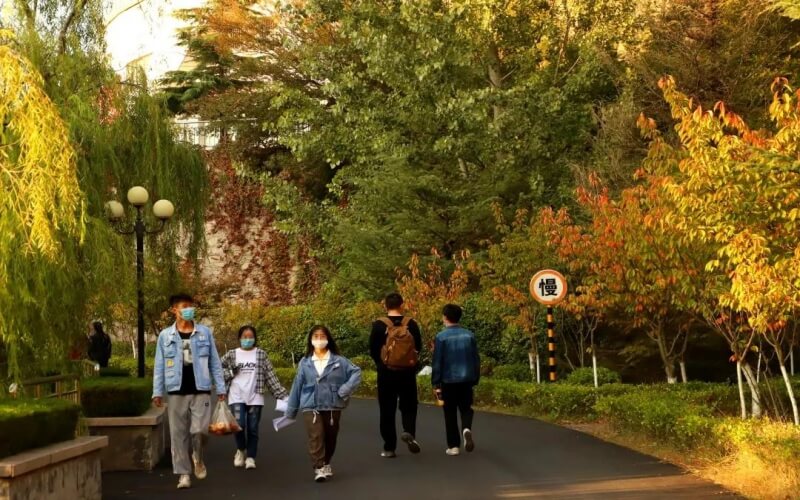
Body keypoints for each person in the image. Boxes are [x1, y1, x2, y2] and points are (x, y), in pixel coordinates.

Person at [152, 293, 226, 490]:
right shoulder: (165, 336)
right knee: (178, 435)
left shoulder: (204, 333)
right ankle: (184, 474)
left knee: (200, 430)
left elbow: (215, 362)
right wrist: (157, 392)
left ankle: (198, 456)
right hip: (175, 390)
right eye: (184, 306)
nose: (189, 309)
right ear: (174, 310)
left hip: (200, 389)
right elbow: (159, 365)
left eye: (190, 306)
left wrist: (220, 387)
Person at [286, 325, 361, 482]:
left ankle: (326, 462)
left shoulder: (339, 361)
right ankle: (318, 467)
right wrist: (291, 410)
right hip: (310, 404)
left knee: (331, 436)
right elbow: (297, 385)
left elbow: (356, 372)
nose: (319, 339)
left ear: (328, 339)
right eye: (316, 336)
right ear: (311, 340)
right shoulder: (305, 362)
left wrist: (345, 390)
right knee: (316, 435)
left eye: (322, 336)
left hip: (333, 404)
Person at [221, 325, 289, 470]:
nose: (247, 339)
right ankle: (240, 450)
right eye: (244, 337)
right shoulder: (232, 354)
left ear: (255, 338)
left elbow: (270, 376)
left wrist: (283, 395)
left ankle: (251, 457)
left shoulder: (261, 354)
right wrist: (231, 373)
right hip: (236, 395)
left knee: (252, 428)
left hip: (255, 396)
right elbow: (217, 370)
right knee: (239, 425)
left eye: (250, 337)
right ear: (239, 338)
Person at [369, 292, 423, 457]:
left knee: (387, 409)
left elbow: (372, 349)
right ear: (402, 304)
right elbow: (418, 347)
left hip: (386, 373)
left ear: (385, 306)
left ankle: (389, 447)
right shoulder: (411, 323)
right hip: (407, 372)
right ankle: (409, 432)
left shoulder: (379, 324)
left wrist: (381, 364)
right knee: (409, 406)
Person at [431, 304, 480, 456]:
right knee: (466, 408)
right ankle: (466, 428)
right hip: (467, 379)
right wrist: (475, 378)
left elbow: (438, 361)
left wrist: (436, 381)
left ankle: (453, 446)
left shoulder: (441, 337)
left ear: (445, 317)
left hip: (448, 380)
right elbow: (476, 359)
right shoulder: (469, 335)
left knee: (450, 412)